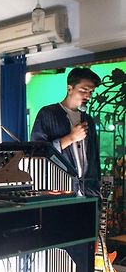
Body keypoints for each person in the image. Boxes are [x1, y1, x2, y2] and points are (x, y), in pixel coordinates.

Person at [31, 67, 101, 197]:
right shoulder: (47, 114)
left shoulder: (88, 120)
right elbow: (36, 152)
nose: (88, 96)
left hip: (88, 191)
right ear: (69, 89)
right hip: (59, 189)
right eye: (83, 90)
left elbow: (94, 158)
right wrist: (71, 138)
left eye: (91, 91)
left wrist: (97, 189)